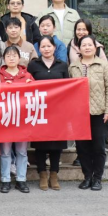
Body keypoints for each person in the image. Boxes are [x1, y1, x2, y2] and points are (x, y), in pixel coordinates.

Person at [70, 35, 108, 191]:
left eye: (90, 44)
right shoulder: (73, 67)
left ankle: (97, 178)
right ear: (79, 48)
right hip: (79, 114)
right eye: (84, 45)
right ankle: (87, 177)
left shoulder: (103, 65)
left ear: (95, 47)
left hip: (99, 112)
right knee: (82, 147)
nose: (87, 47)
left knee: (98, 147)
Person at [27, 36, 70, 191]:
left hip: (58, 111)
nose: (46, 49)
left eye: (49, 46)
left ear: (54, 48)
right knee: (41, 144)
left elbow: (67, 87)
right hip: (39, 109)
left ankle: (54, 174)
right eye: (43, 47)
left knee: (57, 144)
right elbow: (28, 85)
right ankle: (42, 174)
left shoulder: (62, 65)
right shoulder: (33, 65)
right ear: (39, 49)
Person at [0, 45, 34, 194]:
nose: (11, 58)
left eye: (14, 56)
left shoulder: (27, 75)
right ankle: (5, 180)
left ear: (19, 58)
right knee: (5, 151)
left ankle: (21, 179)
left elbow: (37, 94)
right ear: (4, 59)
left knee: (22, 151)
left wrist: (31, 86)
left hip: (22, 119)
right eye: (8, 56)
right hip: (5, 118)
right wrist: (1, 87)